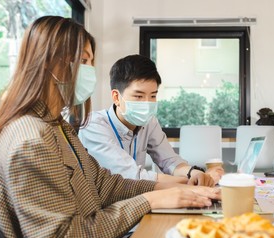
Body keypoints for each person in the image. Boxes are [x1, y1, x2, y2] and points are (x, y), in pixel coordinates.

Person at [0, 16, 220, 238]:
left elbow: (102, 184)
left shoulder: (56, 126)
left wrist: (176, 189)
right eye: (82, 61)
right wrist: (150, 200)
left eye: (90, 62)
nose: (89, 72)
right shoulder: (31, 141)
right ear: (47, 64)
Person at [78, 54, 224, 186]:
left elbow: (170, 161)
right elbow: (132, 176)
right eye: (138, 96)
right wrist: (191, 181)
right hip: (106, 206)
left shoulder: (149, 122)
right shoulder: (93, 125)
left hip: (136, 199)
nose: (147, 103)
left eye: (153, 96)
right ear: (116, 97)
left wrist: (194, 173)